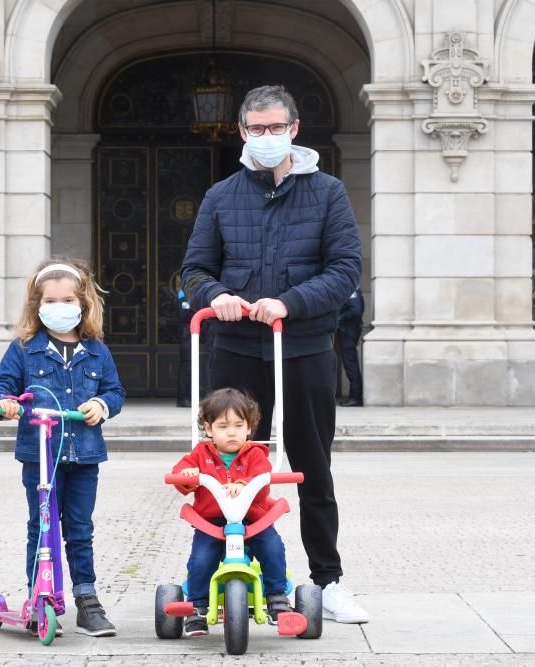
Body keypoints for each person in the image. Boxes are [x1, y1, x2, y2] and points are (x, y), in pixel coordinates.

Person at [181, 84, 369, 623]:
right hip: (235, 350)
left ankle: (328, 580)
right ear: (242, 132)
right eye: (256, 129)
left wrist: (286, 303)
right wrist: (217, 297)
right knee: (225, 467)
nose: (267, 137)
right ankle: (218, 575)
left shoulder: (328, 192)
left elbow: (344, 271)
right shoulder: (221, 197)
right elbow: (195, 268)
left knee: (312, 467)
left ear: (294, 128)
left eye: (276, 128)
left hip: (304, 348)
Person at [0, 258, 126, 637]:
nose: (59, 307)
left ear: (82, 303)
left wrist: (101, 405)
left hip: (84, 456)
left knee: (79, 528)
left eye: (67, 300)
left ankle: (87, 600)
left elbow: (114, 391)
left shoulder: (97, 352)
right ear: (37, 304)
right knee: (41, 525)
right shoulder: (24, 349)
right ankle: (40, 596)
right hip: (40, 456)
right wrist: (4, 405)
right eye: (50, 300)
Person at [171, 388, 293, 636]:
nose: (232, 432)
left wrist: (243, 484)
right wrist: (187, 476)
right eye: (223, 426)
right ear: (209, 429)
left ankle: (277, 595)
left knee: (272, 546)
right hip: (213, 521)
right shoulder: (200, 455)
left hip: (252, 518)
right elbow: (180, 474)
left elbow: (262, 478)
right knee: (201, 558)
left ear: (249, 428)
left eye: (239, 425)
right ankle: (196, 606)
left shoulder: (256, 454)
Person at [336, 286, 364, 407]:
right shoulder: (351, 289)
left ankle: (356, 397)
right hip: (347, 329)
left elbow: (355, 310)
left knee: (350, 363)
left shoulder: (351, 289)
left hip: (349, 330)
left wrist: (338, 319)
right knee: (349, 363)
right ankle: (355, 396)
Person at [176, 285, 193, 407]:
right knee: (186, 367)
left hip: (191, 335)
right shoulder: (183, 294)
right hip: (186, 335)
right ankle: (183, 398)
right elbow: (184, 315)